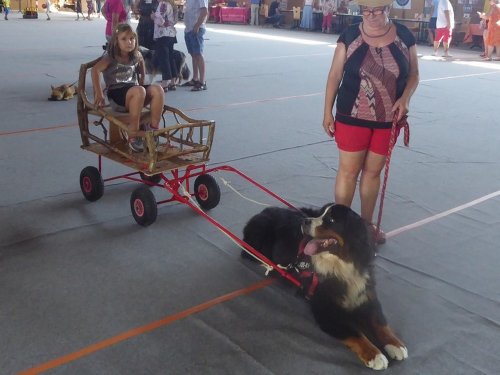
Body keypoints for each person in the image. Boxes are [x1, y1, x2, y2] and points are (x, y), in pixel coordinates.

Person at [322, 0, 419, 244]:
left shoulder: (405, 36)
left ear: (388, 9)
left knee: (373, 173)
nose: (371, 15)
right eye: (366, 10)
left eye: (377, 10)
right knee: (348, 172)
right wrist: (327, 111)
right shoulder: (350, 35)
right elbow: (335, 74)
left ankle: (365, 227)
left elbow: (414, 75)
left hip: (388, 118)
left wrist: (405, 99)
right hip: (351, 116)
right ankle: (340, 229)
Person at [92, 23, 165, 152]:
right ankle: (133, 133)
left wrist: (142, 78)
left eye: (132, 38)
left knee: (158, 89)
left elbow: (141, 63)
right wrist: (99, 93)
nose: (129, 42)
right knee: (139, 90)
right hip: (118, 96)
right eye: (124, 39)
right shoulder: (110, 57)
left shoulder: (136, 55)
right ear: (116, 41)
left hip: (135, 93)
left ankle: (153, 129)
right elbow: (95, 70)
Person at [183, 0, 208, 91]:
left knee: (198, 54)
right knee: (193, 54)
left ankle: (202, 82)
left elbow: (204, 11)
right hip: (189, 28)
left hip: (196, 28)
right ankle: (195, 78)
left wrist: (197, 25)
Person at [154, 0, 178, 91]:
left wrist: (153, 17)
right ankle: (173, 81)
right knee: (170, 57)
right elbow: (174, 20)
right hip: (171, 34)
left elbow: (161, 20)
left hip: (163, 34)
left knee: (164, 58)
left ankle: (165, 81)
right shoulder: (171, 4)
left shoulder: (162, 4)